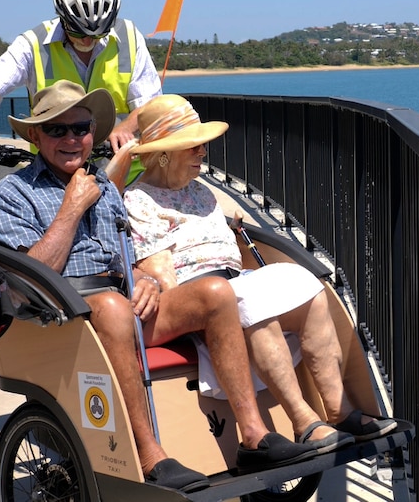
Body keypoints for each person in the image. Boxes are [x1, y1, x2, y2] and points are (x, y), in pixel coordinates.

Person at [0, 80, 317, 494]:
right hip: (61, 312)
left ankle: (253, 435)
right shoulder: (13, 193)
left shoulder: (104, 188)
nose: (72, 139)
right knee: (111, 305)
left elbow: (122, 258)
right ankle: (148, 454)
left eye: (82, 128)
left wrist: (144, 281)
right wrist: (71, 209)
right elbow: (30, 275)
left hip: (118, 302)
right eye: (57, 130)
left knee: (216, 293)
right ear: (35, 135)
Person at [114, 94, 398, 454]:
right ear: (165, 153)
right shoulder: (139, 200)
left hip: (231, 281)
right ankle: (304, 422)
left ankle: (339, 411)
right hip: (196, 295)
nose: (203, 153)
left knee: (306, 284)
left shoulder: (201, 192)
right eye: (195, 147)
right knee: (251, 302)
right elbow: (161, 275)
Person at [0, 0, 160, 168]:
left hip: (122, 172)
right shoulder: (32, 43)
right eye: (77, 30)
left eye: (98, 33)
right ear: (61, 16)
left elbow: (149, 104)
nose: (87, 39)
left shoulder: (129, 36)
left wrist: (124, 129)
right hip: (55, 172)